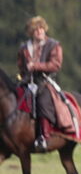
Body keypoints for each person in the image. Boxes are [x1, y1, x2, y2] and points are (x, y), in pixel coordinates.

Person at [17, 16, 63, 152]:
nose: (39, 31)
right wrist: (23, 76)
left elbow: (56, 64)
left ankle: (44, 136)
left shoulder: (53, 45)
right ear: (31, 32)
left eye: (41, 28)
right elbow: (20, 65)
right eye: (36, 29)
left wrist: (36, 66)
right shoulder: (24, 47)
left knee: (42, 101)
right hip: (26, 82)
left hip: (44, 82)